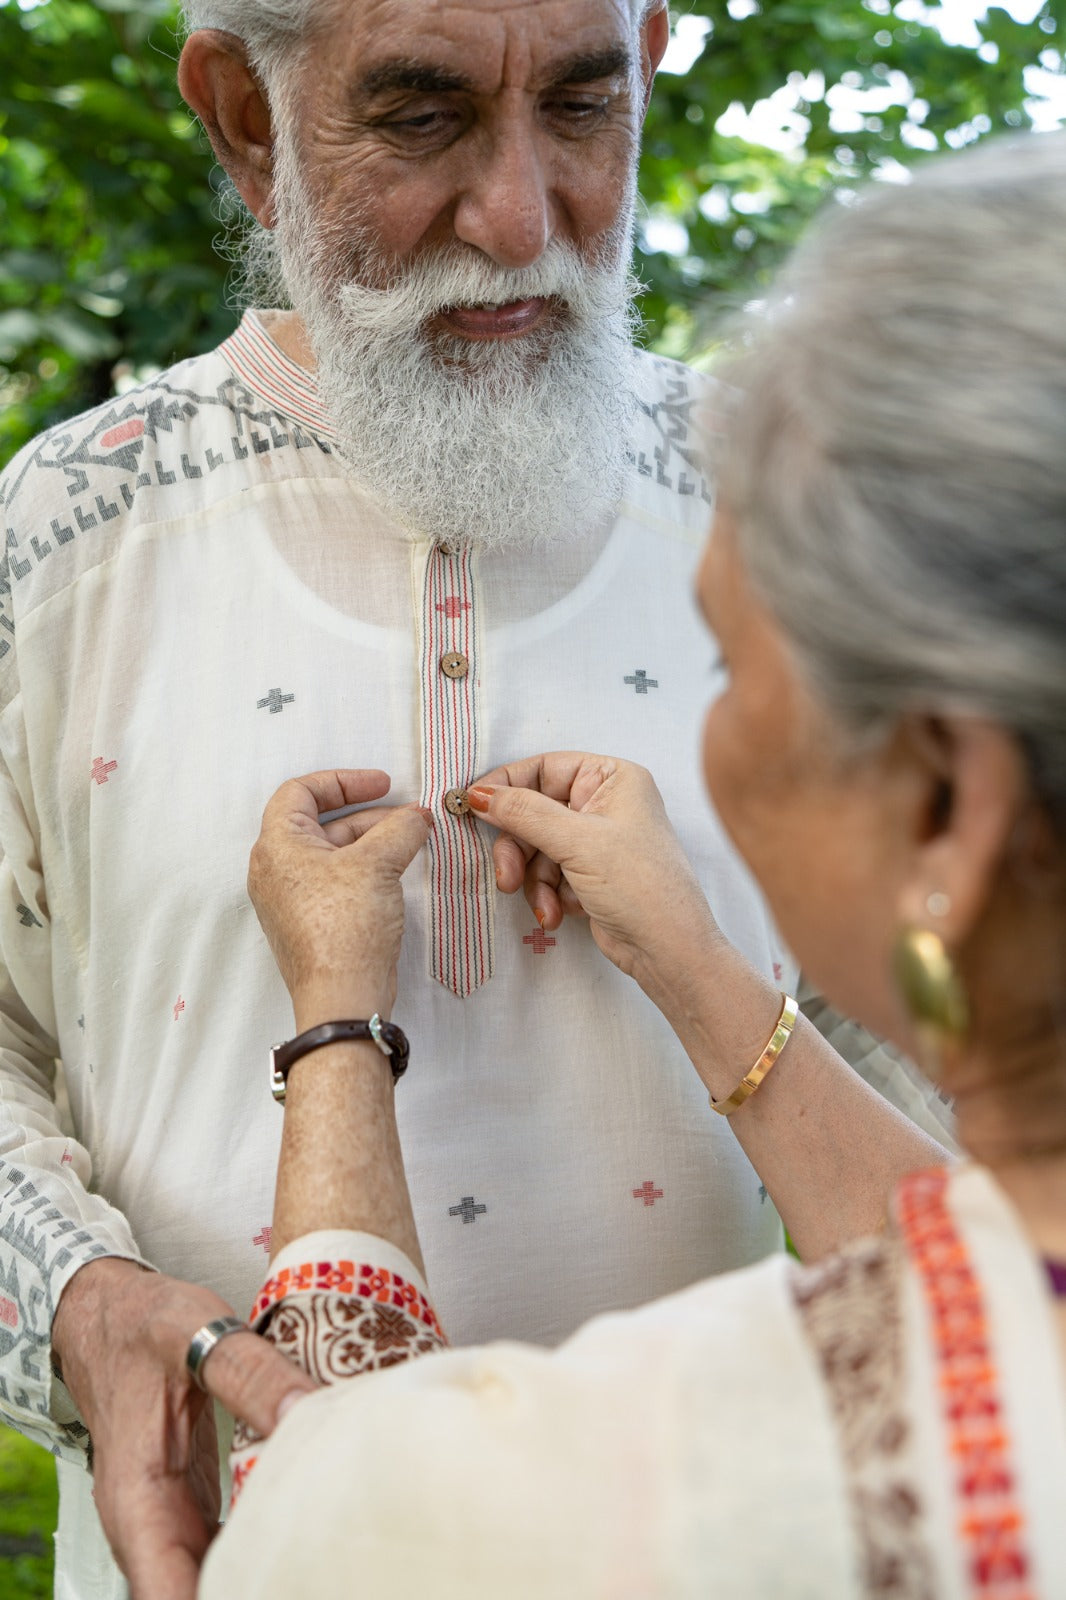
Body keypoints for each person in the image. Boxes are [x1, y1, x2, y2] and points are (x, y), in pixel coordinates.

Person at [0, 2, 948, 1595]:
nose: (519, 220)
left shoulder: (786, 518)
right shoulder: (57, 533)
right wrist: (74, 1298)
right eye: (423, 118)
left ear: (646, 66)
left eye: (583, 110)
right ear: (244, 114)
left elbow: (952, 1043)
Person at [197, 131, 1066, 1595]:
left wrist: (337, 1023)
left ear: (948, 810)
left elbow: (316, 1526)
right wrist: (701, 965)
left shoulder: (697, 1474)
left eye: (726, 665)